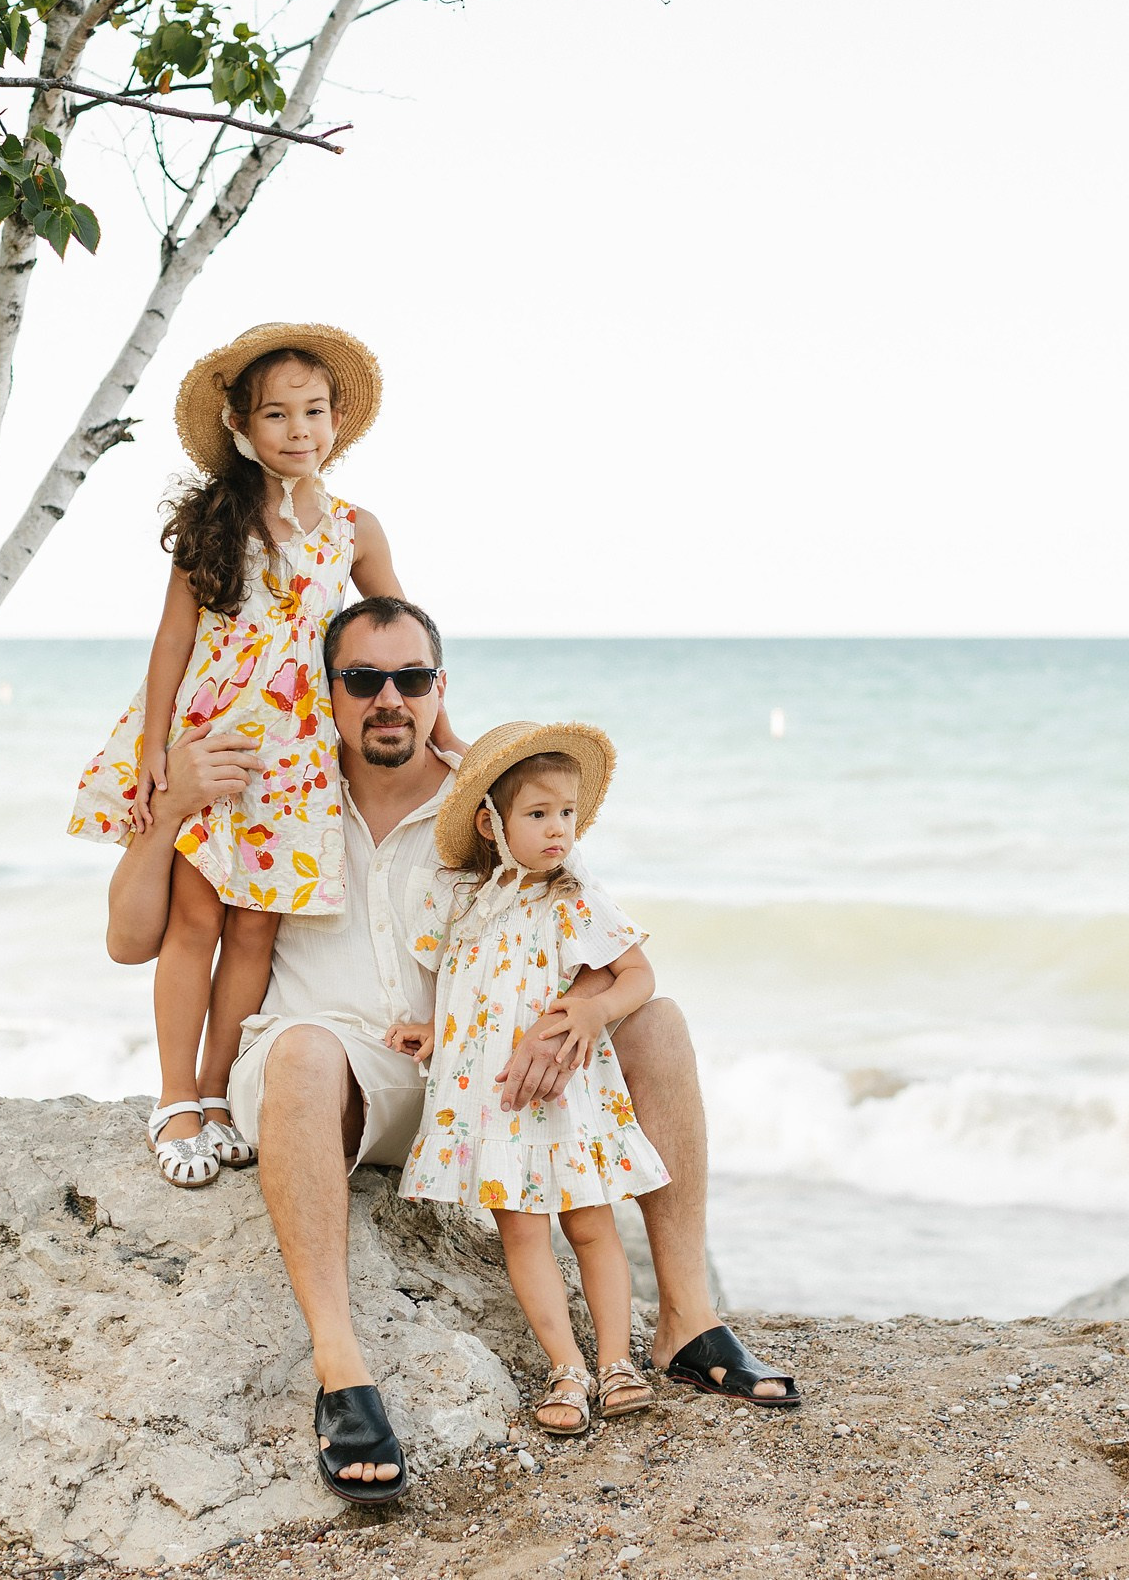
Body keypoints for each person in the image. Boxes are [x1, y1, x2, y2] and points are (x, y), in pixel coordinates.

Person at [108, 596, 801, 1505]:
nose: (389, 698)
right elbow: (130, 941)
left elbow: (589, 933)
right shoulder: (278, 793)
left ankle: (686, 1321)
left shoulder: (493, 805)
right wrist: (172, 807)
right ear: (329, 692)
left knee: (658, 1019)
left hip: (469, 1078)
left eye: (412, 677)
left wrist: (577, 1011)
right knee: (309, 1049)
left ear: (441, 687)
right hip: (327, 1073)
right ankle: (341, 1372)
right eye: (364, 679)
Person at [68, 323, 419, 1190]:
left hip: (299, 759)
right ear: (241, 425)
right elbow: (172, 639)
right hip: (218, 741)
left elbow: (399, 638)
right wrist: (157, 750)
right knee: (197, 921)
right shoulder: (217, 520)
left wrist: (445, 738)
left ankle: (222, 1092)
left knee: (257, 932)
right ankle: (177, 1095)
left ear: (337, 418)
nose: (298, 430)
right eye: (276, 415)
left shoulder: (354, 528)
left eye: (313, 412)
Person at [384, 722, 668, 1439]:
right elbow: (467, 991)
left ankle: (616, 1360)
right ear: (493, 822)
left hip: (566, 1098)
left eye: (567, 813)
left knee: (594, 1226)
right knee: (523, 1234)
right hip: (498, 1103)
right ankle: (565, 1364)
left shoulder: (574, 896)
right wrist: (434, 1032)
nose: (558, 830)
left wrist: (595, 1007)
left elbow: (639, 974)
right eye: (538, 814)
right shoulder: (467, 905)